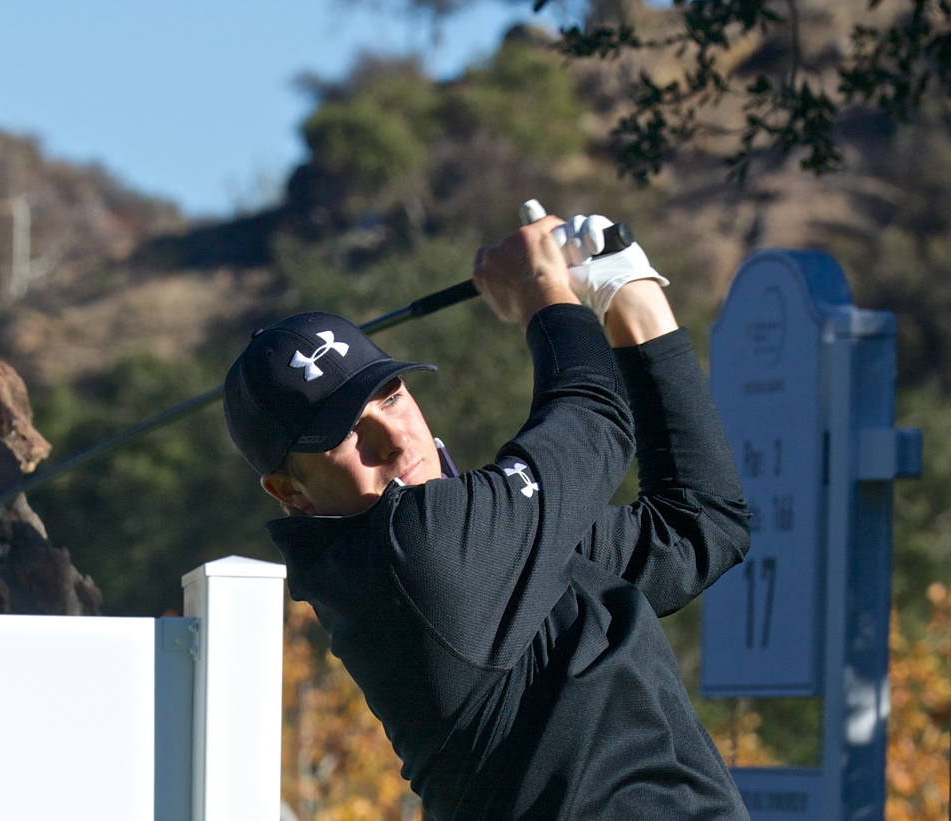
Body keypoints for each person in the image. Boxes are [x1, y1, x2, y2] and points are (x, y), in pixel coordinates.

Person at [223, 213, 751, 820]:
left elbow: (697, 525)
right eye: (344, 433)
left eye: (392, 397)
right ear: (290, 492)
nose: (395, 439)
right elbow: (593, 420)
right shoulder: (410, 554)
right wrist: (541, 290)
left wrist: (629, 293)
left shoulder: (487, 549)